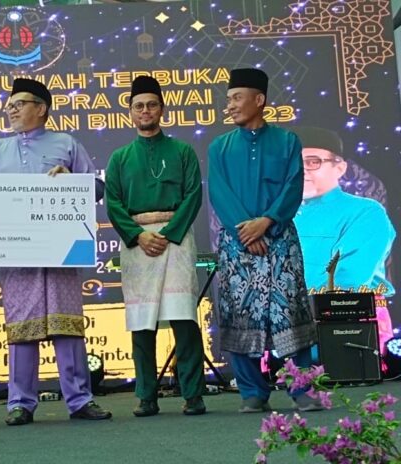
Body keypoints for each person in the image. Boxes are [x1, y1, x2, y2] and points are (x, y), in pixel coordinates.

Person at [0, 78, 111, 426]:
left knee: (67, 325)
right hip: (16, 253)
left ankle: (80, 400)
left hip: (61, 250)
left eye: (18, 104)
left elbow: (96, 187)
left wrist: (72, 180)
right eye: (9, 105)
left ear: (41, 108)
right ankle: (20, 403)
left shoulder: (66, 143)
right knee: (22, 328)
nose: (11, 110)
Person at [207, 68, 320, 413]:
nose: (230, 105)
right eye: (229, 99)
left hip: (279, 239)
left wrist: (267, 223)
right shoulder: (219, 147)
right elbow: (219, 193)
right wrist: (246, 231)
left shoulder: (287, 141)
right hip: (238, 243)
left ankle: (301, 389)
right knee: (240, 312)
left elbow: (293, 186)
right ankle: (252, 392)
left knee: (290, 310)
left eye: (237, 98)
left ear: (259, 100)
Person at [105, 76, 207, 417]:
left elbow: (193, 195)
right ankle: (146, 396)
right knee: (142, 321)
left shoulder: (182, 151)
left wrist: (169, 233)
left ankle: (193, 394)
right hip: (138, 243)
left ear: (162, 109)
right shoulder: (119, 158)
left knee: (184, 318)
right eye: (139, 106)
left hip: (175, 239)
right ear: (130, 112)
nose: (145, 111)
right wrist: (138, 235)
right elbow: (113, 203)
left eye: (151, 105)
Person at [293, 126, 396, 296]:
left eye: (312, 162)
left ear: (339, 168)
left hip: (347, 310)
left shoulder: (366, 213)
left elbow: (347, 283)